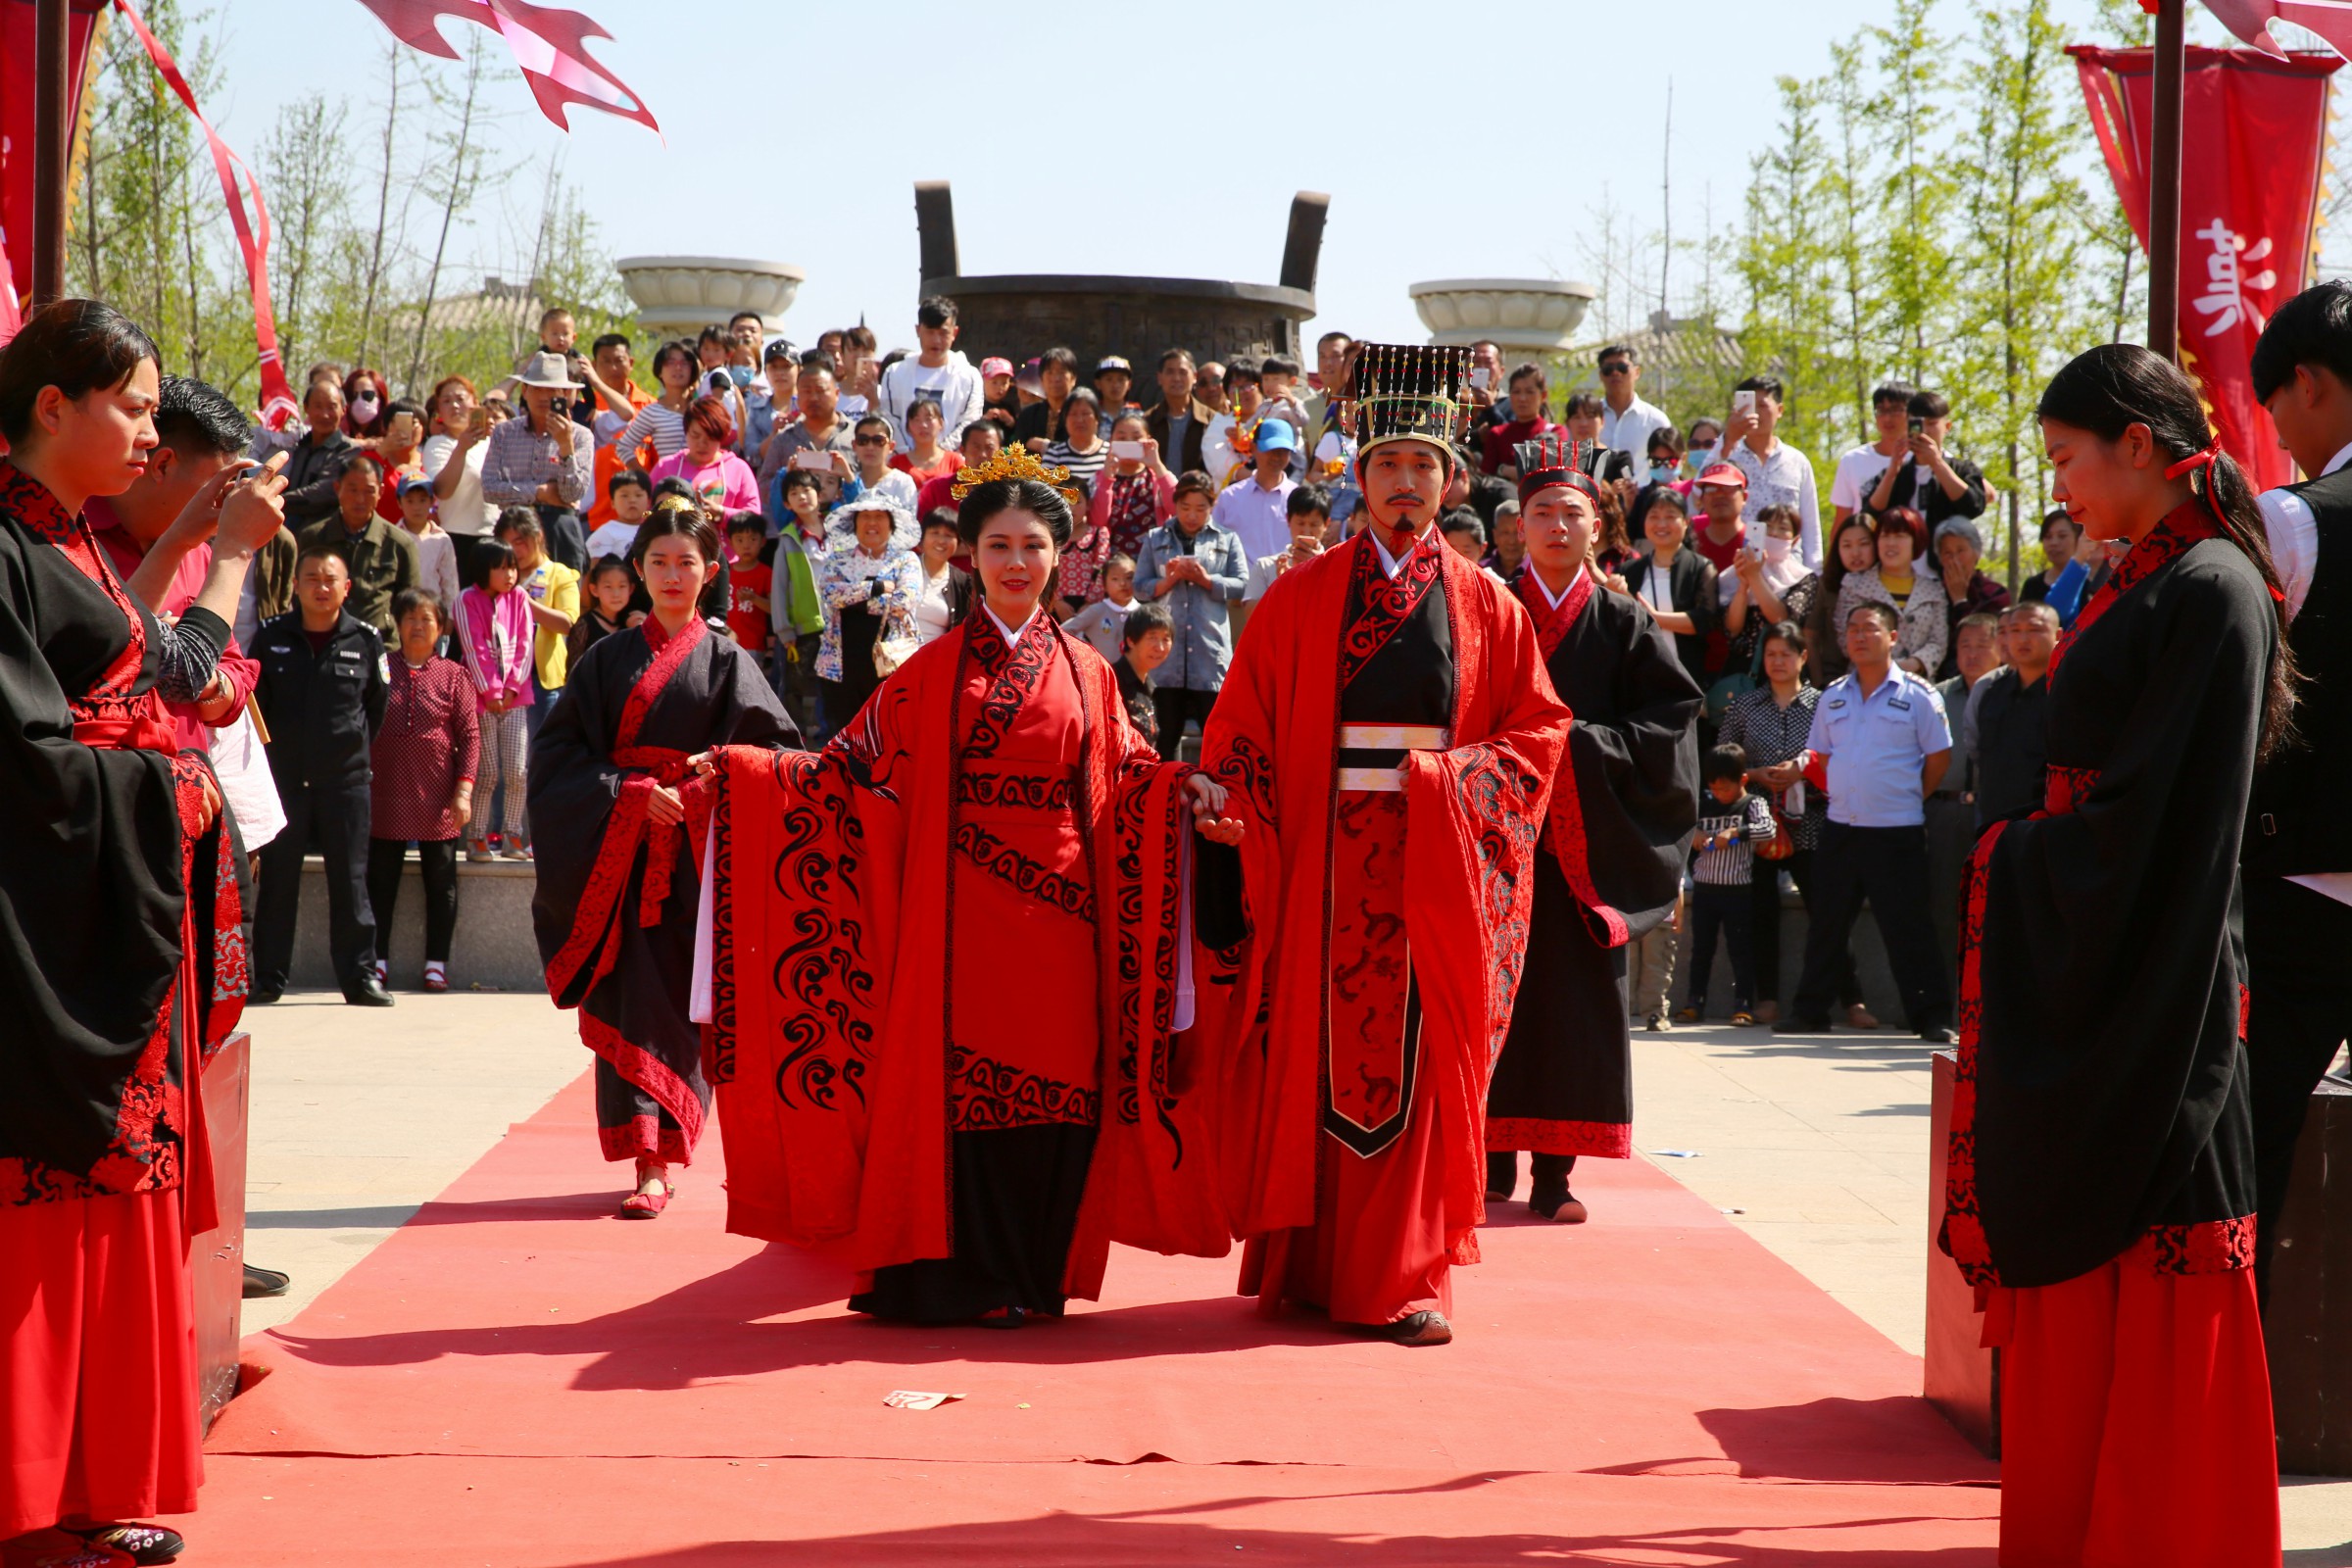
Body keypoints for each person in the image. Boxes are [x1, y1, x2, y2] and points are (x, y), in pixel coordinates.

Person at [691, 451, 1235, 1322]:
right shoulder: (931, 670)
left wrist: (1186, 786)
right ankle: (962, 1277)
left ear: (1060, 556)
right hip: (956, 919)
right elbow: (840, 778)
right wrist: (744, 772)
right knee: (962, 1092)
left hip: (1066, 918)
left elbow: (1131, 781)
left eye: (1031, 545)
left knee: (1064, 1085)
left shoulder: (1092, 674)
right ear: (968, 557)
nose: (1016, 563)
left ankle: (1030, 1277)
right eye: (996, 546)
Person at [1943, 343, 2290, 1568]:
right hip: (2108, 950)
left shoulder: (2210, 589)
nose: (2064, 489)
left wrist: (2018, 859)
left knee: (2161, 1250)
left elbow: (2166, 823)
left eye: (2068, 460)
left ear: (2138, 444)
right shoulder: (2150, 578)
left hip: (2160, 974)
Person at [1199, 341, 1572, 1346]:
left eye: (1423, 469)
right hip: (1319, 858)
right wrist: (1234, 794)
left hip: (1432, 859)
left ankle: (1402, 1277)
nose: (1406, 486)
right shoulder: (1301, 596)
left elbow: (1538, 733)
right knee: (1318, 1058)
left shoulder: (1487, 604)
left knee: (1414, 1057)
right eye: (1387, 467)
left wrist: (1447, 787)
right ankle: (1320, 1264)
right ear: (1357, 479)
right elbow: (1239, 727)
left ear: (1450, 481)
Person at [0, 301, 286, 1568]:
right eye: (129, 405)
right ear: (50, 407)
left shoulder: (56, 542)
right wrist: (162, 788)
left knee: (116, 1204)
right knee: (50, 1207)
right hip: (47, 934)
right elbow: (29, 759)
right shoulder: (7, 547)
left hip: (106, 919)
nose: (147, 430)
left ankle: (87, 1476)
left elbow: (134, 665)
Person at [532, 498, 797, 1218]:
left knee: (684, 1004)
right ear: (637, 571)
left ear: (711, 573)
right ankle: (646, 1161)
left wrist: (719, 773)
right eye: (659, 563)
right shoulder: (603, 661)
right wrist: (629, 792)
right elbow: (557, 758)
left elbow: (775, 755)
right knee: (628, 997)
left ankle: (671, 1146)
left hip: (695, 864)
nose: (673, 575)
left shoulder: (727, 659)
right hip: (615, 865)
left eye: (687, 563)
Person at [1486, 433, 1699, 1223]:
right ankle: (1488, 1161)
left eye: (1570, 513)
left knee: (1575, 1004)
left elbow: (1672, 720)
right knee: (1489, 996)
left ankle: (1555, 1174)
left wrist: (1578, 746)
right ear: (1518, 524)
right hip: (1496, 837)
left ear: (1596, 526)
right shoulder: (1487, 609)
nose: (1554, 526)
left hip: (1584, 843)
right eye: (1540, 511)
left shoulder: (1621, 619)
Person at [2246, 278, 2352, 1302]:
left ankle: (2223, 1413)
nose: (2278, 430)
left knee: (2247, 1146)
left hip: (2303, 887)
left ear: (2308, 384)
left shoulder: (2293, 519)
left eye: (2275, 406)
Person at [1773, 603, 1952, 1041]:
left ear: (1893, 637)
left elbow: (1939, 758)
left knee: (1908, 927)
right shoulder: (1833, 695)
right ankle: (1810, 1011)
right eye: (1852, 629)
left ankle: (1930, 1016)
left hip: (1896, 829)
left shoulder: (1918, 695)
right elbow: (1822, 756)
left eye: (1869, 628)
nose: (1858, 636)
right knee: (1827, 924)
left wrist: (1904, 795)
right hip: (1841, 827)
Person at [252, 543, 393, 1006]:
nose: (320, 586)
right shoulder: (271, 638)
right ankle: (268, 978)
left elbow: (375, 709)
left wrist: (345, 753)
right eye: (311, 578)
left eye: (330, 579)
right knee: (277, 881)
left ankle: (360, 978)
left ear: (346, 588)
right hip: (286, 784)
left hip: (345, 783)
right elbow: (258, 710)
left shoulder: (366, 641)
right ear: (295, 585)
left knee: (351, 882)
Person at [1719, 621, 1871, 1028]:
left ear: (1804, 657)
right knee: (1760, 915)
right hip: (1758, 829)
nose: (1778, 662)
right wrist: (1755, 773)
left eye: (1787, 654)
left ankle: (1852, 999)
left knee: (1829, 913)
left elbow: (1844, 756)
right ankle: (1765, 998)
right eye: (1771, 655)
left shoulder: (1826, 704)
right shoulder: (1745, 706)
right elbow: (1721, 763)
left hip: (1815, 825)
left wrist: (1803, 773)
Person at [368, 587, 478, 995]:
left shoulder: (455, 675)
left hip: (438, 794)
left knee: (441, 881)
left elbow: (470, 736)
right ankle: (376, 962)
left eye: (426, 619)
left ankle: (436, 963)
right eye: (410, 617)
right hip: (386, 790)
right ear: (398, 623)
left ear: (441, 627)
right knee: (380, 880)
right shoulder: (380, 669)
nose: (418, 626)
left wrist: (463, 790)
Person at [1133, 468, 1248, 760]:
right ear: (1175, 505)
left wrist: (1206, 580)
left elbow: (1241, 585)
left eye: (1200, 508)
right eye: (1185, 508)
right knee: (1165, 737)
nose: (1192, 515)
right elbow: (1139, 588)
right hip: (1164, 657)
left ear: (1212, 506)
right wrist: (1167, 581)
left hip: (1209, 654)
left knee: (1216, 736)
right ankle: (1166, 797)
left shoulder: (1228, 539)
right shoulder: (1155, 538)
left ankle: (1214, 797)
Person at [1678, 745, 1777, 1026]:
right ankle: (1694, 1002)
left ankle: (1743, 1004)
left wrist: (1736, 832)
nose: (1719, 794)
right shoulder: (1704, 803)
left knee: (1741, 951)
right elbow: (1680, 827)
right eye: (1715, 788)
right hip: (1706, 890)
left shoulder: (1752, 804)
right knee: (1701, 951)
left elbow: (1769, 829)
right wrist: (1695, 835)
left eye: (1725, 789)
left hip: (1738, 892)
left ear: (1742, 780)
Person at [816, 492, 923, 732]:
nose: (872, 523)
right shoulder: (838, 560)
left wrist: (853, 600)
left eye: (879, 516)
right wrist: (875, 588)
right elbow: (829, 594)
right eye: (865, 516)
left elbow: (904, 601)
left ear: (891, 524)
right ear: (854, 523)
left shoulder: (906, 560)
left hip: (891, 661)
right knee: (844, 734)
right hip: (841, 664)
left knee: (889, 732)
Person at [458, 535, 534, 862]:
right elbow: (473, 649)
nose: (509, 575)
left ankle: (512, 834)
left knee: (517, 770)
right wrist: (490, 692)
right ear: (481, 569)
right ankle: (476, 837)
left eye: (512, 568)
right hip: (481, 700)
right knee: (487, 772)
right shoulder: (466, 600)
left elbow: (525, 644)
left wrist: (512, 687)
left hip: (516, 698)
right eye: (500, 568)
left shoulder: (519, 598)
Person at [481, 351, 592, 572]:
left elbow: (573, 494)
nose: (544, 396)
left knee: (563, 600)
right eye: (538, 388)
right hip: (514, 526)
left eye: (552, 390)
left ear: (564, 394)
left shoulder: (580, 436)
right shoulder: (504, 432)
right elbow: (489, 489)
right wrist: (538, 492)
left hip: (560, 527)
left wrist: (565, 446)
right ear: (525, 391)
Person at [294, 453, 422, 638]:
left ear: (381, 492)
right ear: (337, 488)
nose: (360, 499)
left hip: (380, 647)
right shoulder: (313, 537)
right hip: (323, 642)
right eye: (352, 490)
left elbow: (410, 605)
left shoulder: (400, 544)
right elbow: (297, 593)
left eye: (369, 490)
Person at [1616, 483, 1716, 693]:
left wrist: (1653, 617)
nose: (1661, 523)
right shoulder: (1630, 569)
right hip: (1639, 681)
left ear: (1686, 522)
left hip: (1687, 681)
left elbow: (1705, 620)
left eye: (1670, 516)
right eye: (1653, 516)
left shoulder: (1700, 567)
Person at [495, 511, 579, 748]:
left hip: (542, 680)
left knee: (542, 753)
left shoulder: (558, 573)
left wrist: (526, 604)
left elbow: (568, 624)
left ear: (539, 536)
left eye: (520, 542)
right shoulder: (501, 574)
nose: (515, 550)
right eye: (508, 543)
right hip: (502, 678)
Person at [1971, 600, 2056, 831]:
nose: (2023, 639)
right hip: (1992, 820)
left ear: (2058, 634)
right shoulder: (1991, 691)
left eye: (2034, 629)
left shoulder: (2065, 693)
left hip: (2043, 825)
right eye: (2015, 631)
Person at [1834, 505, 1947, 677]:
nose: (1891, 543)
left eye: (1900, 536)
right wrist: (1884, 668)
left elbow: (1938, 642)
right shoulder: (1854, 586)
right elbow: (1845, 638)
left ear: (1915, 541)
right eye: (1885, 536)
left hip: (1916, 685)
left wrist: (1911, 665)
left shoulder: (1933, 590)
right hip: (1866, 684)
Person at [1723, 374, 1823, 569]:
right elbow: (1699, 495)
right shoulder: (1728, 457)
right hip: (1740, 567)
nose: (1755, 414)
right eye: (1749, 406)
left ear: (1780, 410)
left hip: (1789, 572)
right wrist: (1728, 440)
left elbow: (1810, 526)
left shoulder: (1797, 462)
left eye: (1762, 405)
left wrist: (1815, 573)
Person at [1868, 389, 1993, 530]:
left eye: (1931, 423)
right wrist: (1892, 471)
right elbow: (1871, 514)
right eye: (1918, 424)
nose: (1925, 431)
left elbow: (1973, 506)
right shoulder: (1896, 474)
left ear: (1947, 427)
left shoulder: (1962, 470)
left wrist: (1937, 463)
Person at [877, 295, 984, 444]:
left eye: (943, 333)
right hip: (903, 462)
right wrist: (908, 456)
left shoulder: (969, 376)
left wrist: (941, 458)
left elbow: (969, 422)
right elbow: (889, 419)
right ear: (918, 330)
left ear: (954, 333)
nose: (936, 340)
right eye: (930, 332)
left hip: (952, 464)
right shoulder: (894, 373)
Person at [759, 356, 858, 514]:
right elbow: (763, 487)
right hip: (796, 532)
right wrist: (787, 477)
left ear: (837, 393)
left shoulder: (857, 436)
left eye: (820, 390)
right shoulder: (784, 439)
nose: (813, 398)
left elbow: (871, 482)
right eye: (806, 391)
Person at [647, 395, 760, 515]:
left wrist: (721, 513)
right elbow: (646, 510)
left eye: (710, 438)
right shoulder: (666, 466)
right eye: (695, 435)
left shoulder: (738, 469)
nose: (702, 443)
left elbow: (753, 514)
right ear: (686, 432)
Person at [422, 375, 499, 548]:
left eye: (460, 399)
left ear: (475, 404)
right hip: (456, 537)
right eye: (446, 401)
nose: (454, 406)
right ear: (439, 411)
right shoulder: (437, 444)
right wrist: (461, 449)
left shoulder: (491, 442)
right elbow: (442, 490)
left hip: (493, 535)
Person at [1931, 517, 2011, 680]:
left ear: (1976, 553)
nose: (1955, 560)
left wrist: (1960, 601)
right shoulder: (1932, 593)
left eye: (1961, 551)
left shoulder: (1995, 594)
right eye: (1947, 553)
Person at [1211, 417, 1300, 564]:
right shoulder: (1229, 497)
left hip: (1286, 583)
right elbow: (1214, 544)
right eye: (1270, 449)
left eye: (1284, 451)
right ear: (1253, 448)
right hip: (1241, 584)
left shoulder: (1298, 497)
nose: (1277, 456)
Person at [1830, 382, 1919, 527]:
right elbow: (1842, 522)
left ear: (1913, 414)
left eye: (1895, 410)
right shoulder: (1852, 461)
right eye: (1881, 410)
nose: (1887, 418)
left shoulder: (1929, 458)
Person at [1807, 514, 1881, 685]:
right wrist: (1818, 684)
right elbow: (1810, 637)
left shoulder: (1886, 581)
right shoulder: (1827, 585)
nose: (1855, 553)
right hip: (1834, 676)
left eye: (1864, 544)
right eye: (1847, 546)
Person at [607, 339, 700, 472]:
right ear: (660, 370)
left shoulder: (704, 408)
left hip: (704, 484)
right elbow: (623, 447)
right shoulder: (652, 411)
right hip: (672, 487)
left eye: (684, 363)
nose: (678, 367)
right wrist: (649, 480)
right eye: (670, 363)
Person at [1090, 414, 1174, 561]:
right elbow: (1098, 521)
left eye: (1136, 438)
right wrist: (1107, 479)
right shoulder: (1099, 478)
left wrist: (1157, 465)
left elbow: (1176, 507)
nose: (1129, 442)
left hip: (1154, 560)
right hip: (1113, 564)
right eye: (1122, 438)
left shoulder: (1158, 475)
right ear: (1111, 441)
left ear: (1148, 439)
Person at [279, 376, 358, 528]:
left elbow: (323, 492)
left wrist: (278, 499)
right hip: (283, 530)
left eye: (332, 407)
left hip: (322, 536)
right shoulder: (298, 446)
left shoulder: (348, 451)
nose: (325, 414)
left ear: (343, 409)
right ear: (306, 408)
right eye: (318, 406)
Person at [394, 475, 464, 633]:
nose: (416, 507)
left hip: (433, 615)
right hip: (402, 615)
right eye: (409, 501)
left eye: (422, 500)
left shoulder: (441, 539)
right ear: (399, 502)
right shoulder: (393, 536)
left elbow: (450, 582)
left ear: (432, 502)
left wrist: (450, 617)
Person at [1245, 484, 1333, 605]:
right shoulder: (1265, 567)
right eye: (1300, 523)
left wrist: (1318, 570)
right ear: (1288, 520)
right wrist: (1282, 583)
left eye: (1314, 524)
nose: (1306, 531)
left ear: (1326, 524)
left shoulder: (1337, 568)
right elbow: (1252, 615)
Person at [1479, 363, 1562, 477]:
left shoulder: (1555, 432)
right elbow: (1485, 476)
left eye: (1529, 392)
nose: (1522, 398)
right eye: (1516, 392)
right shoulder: (1498, 434)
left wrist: (1504, 469)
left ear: (1543, 396)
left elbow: (1554, 474)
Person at [1596, 343, 1671, 473]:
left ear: (1637, 372)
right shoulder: (1588, 417)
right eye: (1608, 369)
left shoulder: (1656, 420)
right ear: (1601, 375)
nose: (1615, 373)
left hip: (1642, 492)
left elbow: (1668, 466)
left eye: (1622, 367)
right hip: (1594, 492)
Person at [1142, 347, 1212, 473]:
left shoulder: (1211, 420)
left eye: (1183, 372)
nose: (1176, 378)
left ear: (1194, 377)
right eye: (1170, 372)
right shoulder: (1147, 421)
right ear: (1159, 378)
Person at [1114, 600, 1175, 747]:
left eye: (1166, 639)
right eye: (1152, 638)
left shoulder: (1149, 685)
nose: (1160, 647)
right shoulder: (1113, 681)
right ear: (1131, 641)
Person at [910, 509, 973, 647]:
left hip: (934, 661)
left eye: (949, 535)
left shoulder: (963, 582)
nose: (941, 540)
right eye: (935, 533)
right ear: (922, 536)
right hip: (895, 659)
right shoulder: (904, 566)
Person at [568, 555, 641, 665]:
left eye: (622, 586)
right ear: (594, 590)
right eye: (608, 587)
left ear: (631, 589)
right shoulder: (584, 625)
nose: (616, 594)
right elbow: (573, 670)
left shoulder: (632, 622)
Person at [1042, 386, 1111, 497]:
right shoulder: (1054, 455)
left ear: (1097, 418)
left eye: (1085, 414)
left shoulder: (1110, 453)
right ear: (1065, 420)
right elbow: (1045, 495)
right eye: (1073, 414)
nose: (1079, 420)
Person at [1015, 345, 1080, 455]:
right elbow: (1018, 453)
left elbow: (1082, 447)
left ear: (1073, 379)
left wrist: (1046, 445)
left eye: (1061, 372)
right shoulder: (1028, 415)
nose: (1055, 379)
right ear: (1041, 379)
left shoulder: (1081, 414)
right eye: (1050, 373)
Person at [725, 514, 773, 661]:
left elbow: (774, 609)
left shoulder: (766, 573)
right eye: (739, 540)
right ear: (731, 543)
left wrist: (754, 598)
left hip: (754, 645)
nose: (746, 545)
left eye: (752, 539)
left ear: (763, 541)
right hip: (725, 642)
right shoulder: (724, 572)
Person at [584, 466, 654, 564]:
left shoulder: (654, 531)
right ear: (612, 502)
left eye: (638, 495)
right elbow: (596, 571)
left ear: (649, 502)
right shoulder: (606, 533)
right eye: (624, 495)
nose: (632, 500)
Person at [894, 398, 961, 489]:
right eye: (916, 420)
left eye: (928, 419)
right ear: (908, 427)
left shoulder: (954, 461)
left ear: (941, 423)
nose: (923, 425)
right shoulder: (896, 464)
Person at [2018, 508, 2077, 604]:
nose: (2054, 543)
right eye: (2048, 537)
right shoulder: (2032, 585)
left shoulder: (2092, 582)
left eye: (2062, 536)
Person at [1094, 354, 1136, 418]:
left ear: (1129, 384)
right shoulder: (1092, 415)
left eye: (1121, 379)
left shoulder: (1138, 416)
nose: (1115, 385)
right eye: (1109, 379)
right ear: (1098, 384)